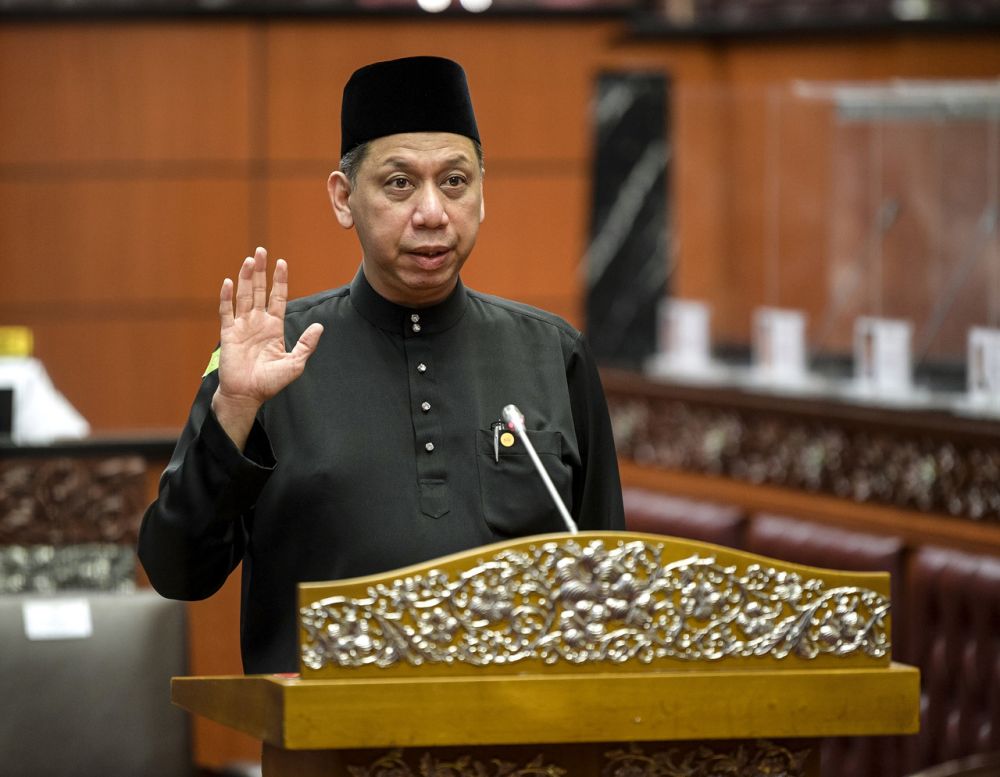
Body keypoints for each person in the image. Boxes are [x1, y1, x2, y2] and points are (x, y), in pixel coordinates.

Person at [138, 56, 624, 674]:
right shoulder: (269, 360)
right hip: (328, 749)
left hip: (517, 747)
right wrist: (234, 407)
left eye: (455, 181)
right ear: (344, 199)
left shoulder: (554, 353)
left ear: (481, 192)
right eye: (399, 184)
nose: (432, 212)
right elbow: (179, 572)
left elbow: (608, 585)